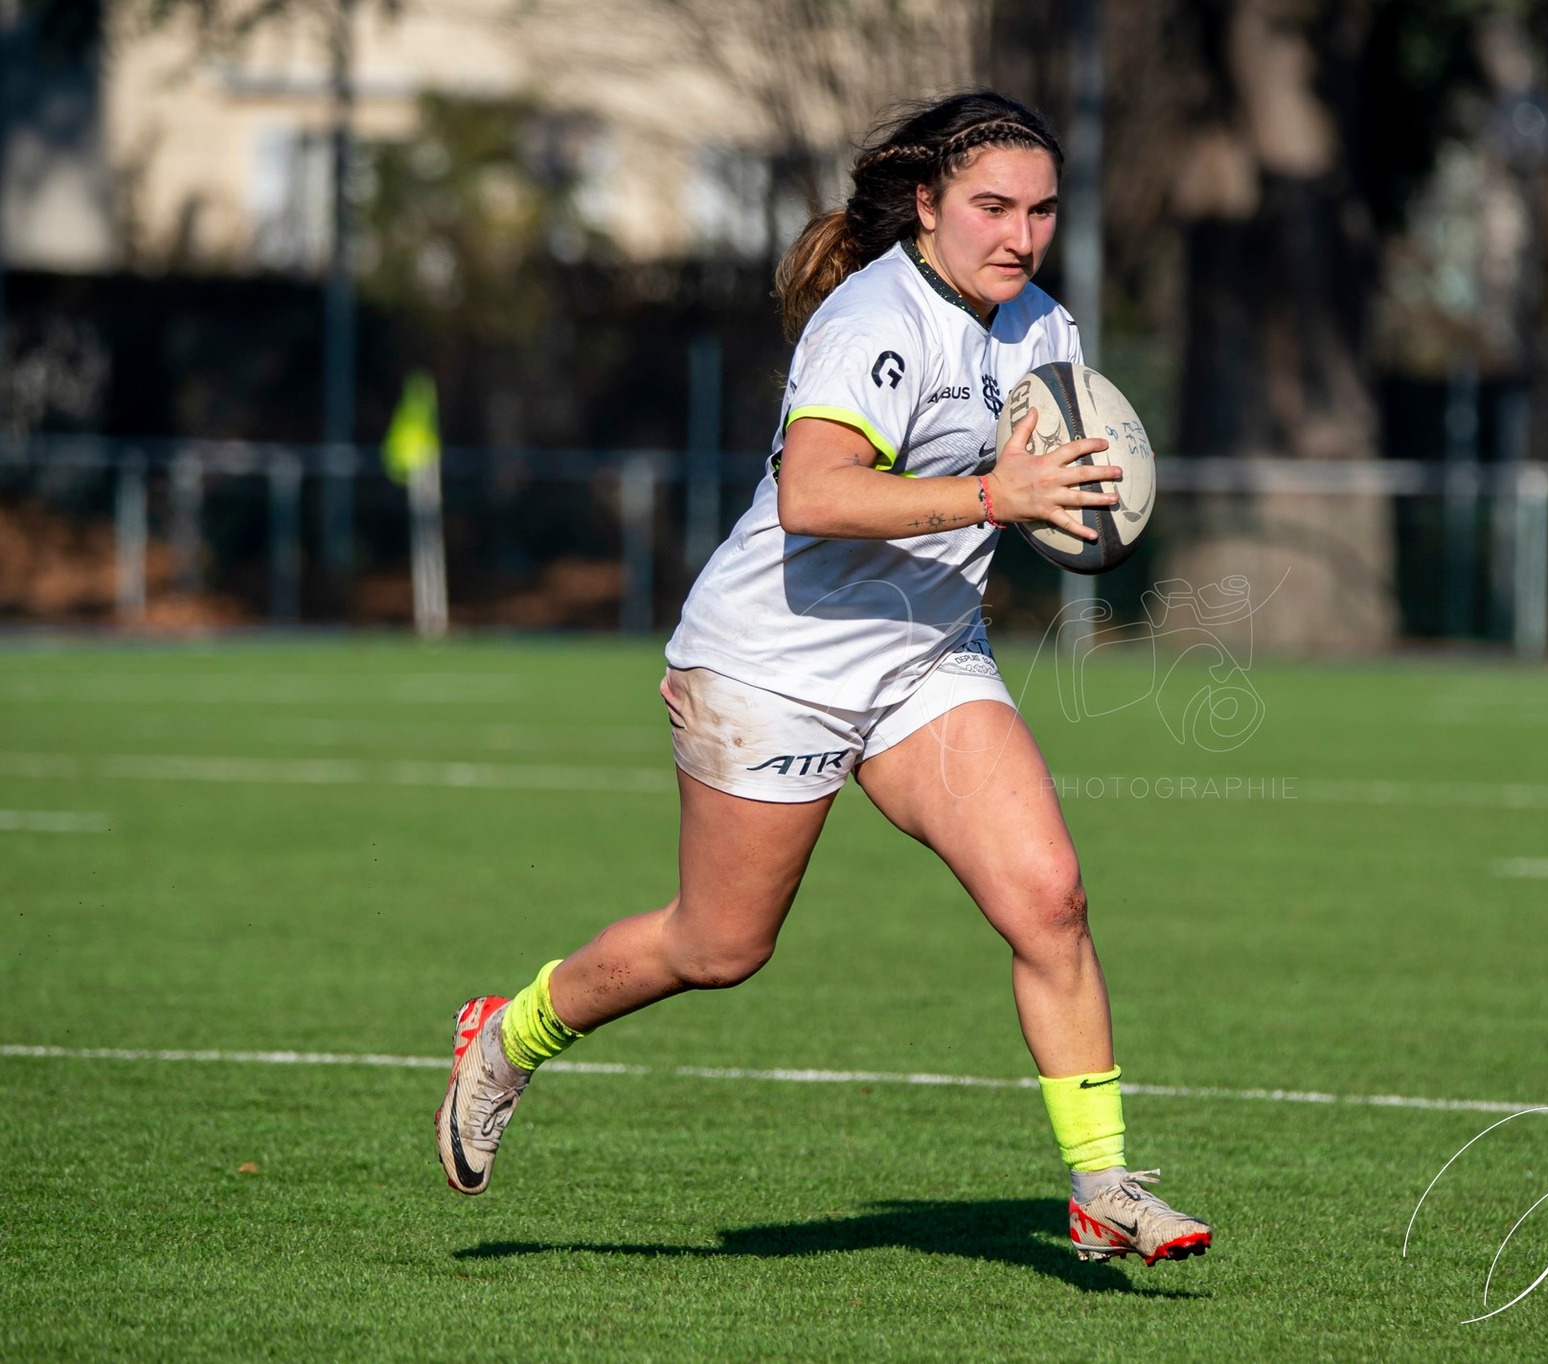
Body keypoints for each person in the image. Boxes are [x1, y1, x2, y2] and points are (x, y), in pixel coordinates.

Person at [434, 90, 1211, 1267]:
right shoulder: (872, 320)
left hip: (923, 658)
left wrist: (1074, 507)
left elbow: (1044, 486)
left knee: (1049, 897)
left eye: (1041, 210)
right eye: (992, 207)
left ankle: (1100, 1184)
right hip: (772, 663)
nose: (1019, 235)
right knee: (718, 946)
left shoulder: (1043, 329)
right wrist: (996, 496)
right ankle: (510, 1031)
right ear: (926, 203)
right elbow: (814, 494)